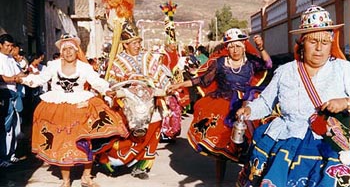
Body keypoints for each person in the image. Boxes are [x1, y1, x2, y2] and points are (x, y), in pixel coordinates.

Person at [235, 5, 350, 187]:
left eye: (325, 42)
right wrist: (249, 109)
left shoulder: (343, 69)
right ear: (302, 42)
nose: (319, 48)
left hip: (329, 142)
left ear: (332, 43)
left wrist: (345, 102)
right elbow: (266, 103)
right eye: (313, 42)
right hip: (286, 139)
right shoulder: (285, 72)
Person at [17, 33, 129, 187]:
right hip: (57, 107)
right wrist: (23, 79)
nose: (68, 52)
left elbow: (96, 81)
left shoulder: (84, 67)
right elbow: (40, 79)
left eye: (71, 48)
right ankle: (66, 180)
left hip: (81, 107)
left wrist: (107, 90)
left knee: (86, 142)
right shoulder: (53, 66)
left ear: (77, 51)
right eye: (65, 49)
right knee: (62, 143)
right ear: (61, 51)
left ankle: (86, 177)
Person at [168, 28, 272, 183]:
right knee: (221, 145)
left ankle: (250, 177)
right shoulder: (220, 63)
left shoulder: (251, 61)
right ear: (226, 47)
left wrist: (261, 48)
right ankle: (219, 182)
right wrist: (180, 84)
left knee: (253, 139)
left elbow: (268, 64)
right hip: (223, 102)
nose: (234, 50)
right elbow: (203, 80)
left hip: (246, 101)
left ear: (244, 46)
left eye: (238, 46)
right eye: (231, 46)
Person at [104, 19, 172, 179]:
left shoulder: (149, 57)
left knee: (151, 132)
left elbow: (160, 76)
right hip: (128, 105)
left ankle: (141, 166)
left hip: (151, 103)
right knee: (125, 135)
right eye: (133, 42)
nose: (137, 45)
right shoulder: (118, 61)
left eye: (138, 42)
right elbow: (113, 81)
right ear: (125, 45)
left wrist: (160, 86)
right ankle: (117, 161)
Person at [0, 34, 25, 167]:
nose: (9, 48)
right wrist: (13, 78)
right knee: (5, 127)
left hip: (15, 93)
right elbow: (2, 77)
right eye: (7, 46)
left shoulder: (10, 58)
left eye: (11, 46)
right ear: (1, 45)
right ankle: (3, 157)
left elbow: (20, 73)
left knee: (16, 126)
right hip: (4, 93)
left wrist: (19, 77)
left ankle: (11, 154)